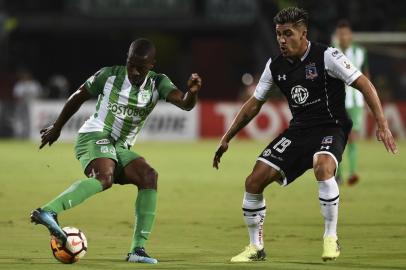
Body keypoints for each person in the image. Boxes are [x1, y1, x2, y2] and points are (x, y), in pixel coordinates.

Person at [213, 7, 397, 263]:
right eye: (278, 34)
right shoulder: (274, 66)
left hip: (331, 126)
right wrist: (227, 136)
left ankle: (330, 238)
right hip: (299, 130)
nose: (281, 40)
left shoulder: (327, 56)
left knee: (322, 167)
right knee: (253, 181)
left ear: (303, 33)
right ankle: (256, 248)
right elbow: (254, 103)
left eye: (288, 34)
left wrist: (382, 123)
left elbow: (363, 83)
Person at [30, 38, 202, 264]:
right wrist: (57, 126)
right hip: (93, 136)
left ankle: (137, 250)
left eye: (140, 66)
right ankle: (48, 211)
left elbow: (185, 103)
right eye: (130, 63)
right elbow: (79, 95)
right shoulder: (109, 75)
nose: (134, 70)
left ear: (152, 65)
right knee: (104, 178)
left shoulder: (158, 83)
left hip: (118, 147)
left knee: (148, 177)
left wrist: (192, 92)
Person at [333, 19, 370, 185]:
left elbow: (366, 76)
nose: (343, 36)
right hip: (338, 102)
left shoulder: (361, 52)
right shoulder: (331, 52)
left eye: (346, 33)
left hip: (356, 101)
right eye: (340, 34)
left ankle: (352, 173)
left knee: (353, 137)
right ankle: (338, 174)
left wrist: (369, 99)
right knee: (339, 137)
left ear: (350, 35)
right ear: (337, 36)